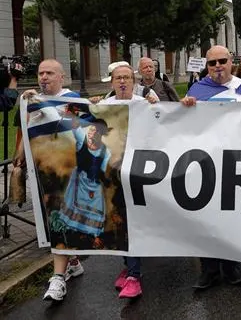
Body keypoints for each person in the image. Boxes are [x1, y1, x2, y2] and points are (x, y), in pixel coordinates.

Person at [181, 46, 241, 290]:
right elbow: (183, 126)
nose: (217, 66)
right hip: (206, 163)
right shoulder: (197, 90)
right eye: (212, 63)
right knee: (204, 218)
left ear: (231, 62)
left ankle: (231, 267)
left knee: (232, 217)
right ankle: (209, 270)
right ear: (207, 67)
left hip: (237, 165)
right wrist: (183, 108)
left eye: (222, 61)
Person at [25, 60, 86, 303]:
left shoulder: (72, 97)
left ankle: (58, 278)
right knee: (54, 220)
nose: (44, 77)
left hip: (68, 171)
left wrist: (43, 104)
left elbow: (73, 127)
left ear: (62, 77)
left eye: (49, 73)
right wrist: (20, 159)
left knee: (59, 218)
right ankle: (74, 263)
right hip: (43, 173)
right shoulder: (33, 101)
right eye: (40, 73)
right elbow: (28, 131)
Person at [97, 62, 155, 299]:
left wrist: (157, 108)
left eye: (127, 78)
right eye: (118, 78)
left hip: (138, 172)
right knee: (119, 220)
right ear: (112, 82)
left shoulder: (144, 105)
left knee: (133, 220)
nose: (122, 82)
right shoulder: (103, 106)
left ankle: (134, 274)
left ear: (134, 82)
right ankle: (129, 267)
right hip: (112, 173)